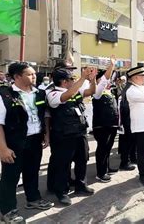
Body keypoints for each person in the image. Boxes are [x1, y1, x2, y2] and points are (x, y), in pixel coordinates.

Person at [0, 62, 54, 223]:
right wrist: (3, 148)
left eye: (34, 74)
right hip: (13, 143)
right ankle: (8, 212)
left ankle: (33, 199)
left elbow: (44, 115)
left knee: (32, 172)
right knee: (10, 177)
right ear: (17, 77)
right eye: (30, 74)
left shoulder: (39, 93)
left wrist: (46, 135)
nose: (34, 76)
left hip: (34, 139)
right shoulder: (2, 96)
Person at [47, 67, 96, 205]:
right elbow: (65, 96)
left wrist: (92, 81)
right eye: (71, 80)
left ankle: (81, 185)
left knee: (82, 160)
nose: (74, 82)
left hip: (79, 133)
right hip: (63, 136)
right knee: (63, 165)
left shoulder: (75, 91)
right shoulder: (53, 94)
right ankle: (61, 192)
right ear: (64, 81)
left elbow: (91, 91)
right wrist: (82, 78)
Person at [92, 56, 119, 182]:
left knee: (108, 147)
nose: (108, 82)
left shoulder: (109, 93)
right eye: (104, 80)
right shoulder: (97, 92)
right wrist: (111, 66)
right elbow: (104, 81)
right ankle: (101, 173)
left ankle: (106, 168)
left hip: (111, 125)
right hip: (101, 126)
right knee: (102, 148)